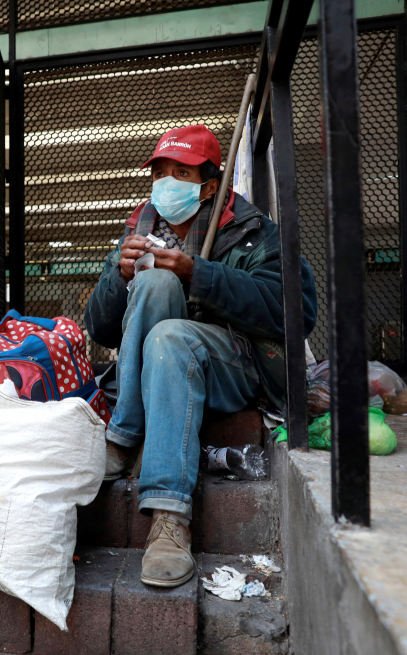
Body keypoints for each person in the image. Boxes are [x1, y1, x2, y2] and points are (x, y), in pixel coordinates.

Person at [85, 125, 317, 588]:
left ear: (210, 185)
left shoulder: (254, 232)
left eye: (181, 172)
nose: (166, 182)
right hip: (163, 365)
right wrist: (120, 274)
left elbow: (296, 313)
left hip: (235, 361)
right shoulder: (142, 225)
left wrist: (199, 275)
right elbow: (101, 328)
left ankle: (170, 518)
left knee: (171, 336)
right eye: (161, 172)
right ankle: (127, 436)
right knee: (153, 284)